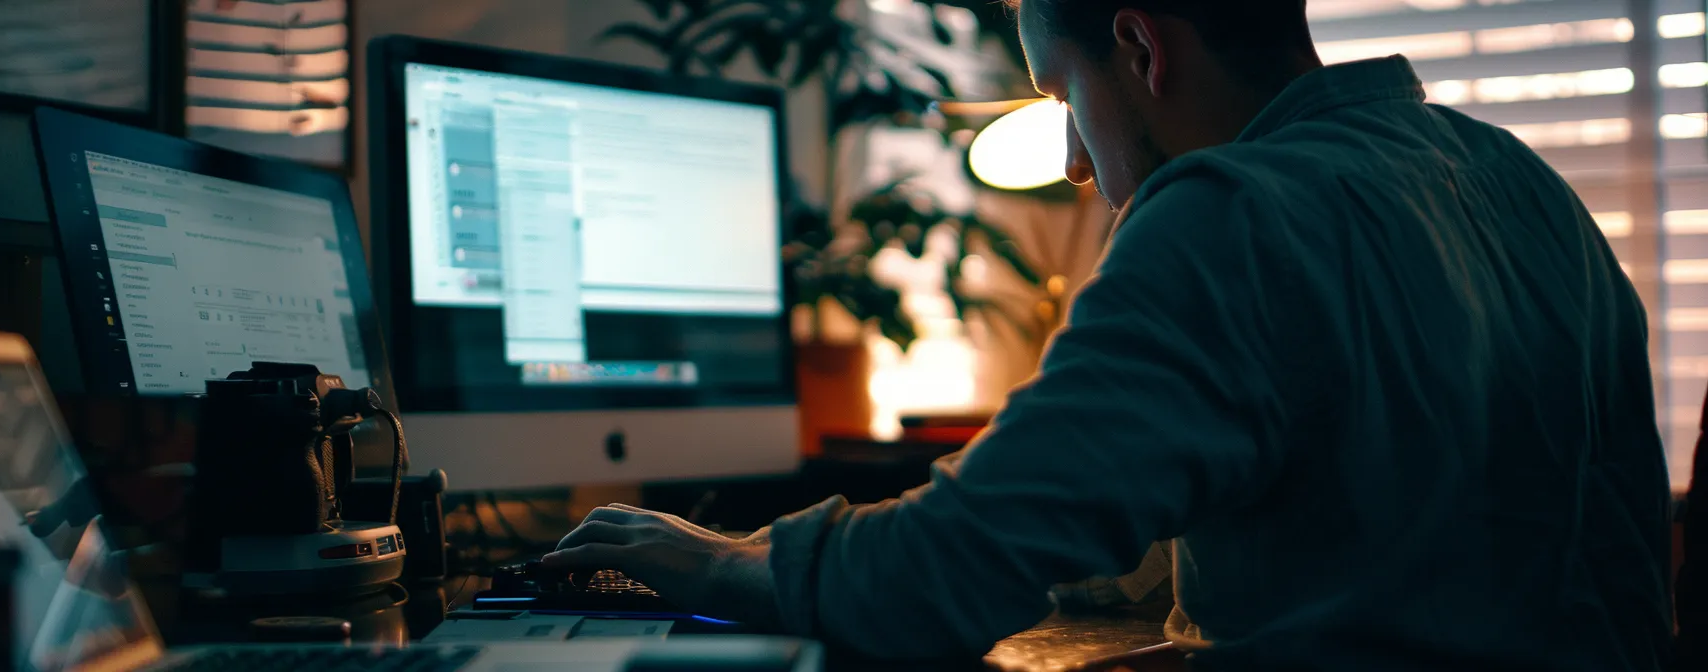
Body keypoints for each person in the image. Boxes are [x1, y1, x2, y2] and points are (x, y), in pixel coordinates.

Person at [544, 0, 1676, 667]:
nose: (1079, 163)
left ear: (1139, 49)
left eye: (1062, 98)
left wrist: (698, 561)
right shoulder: (1518, 182)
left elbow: (929, 590)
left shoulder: (1229, 211)